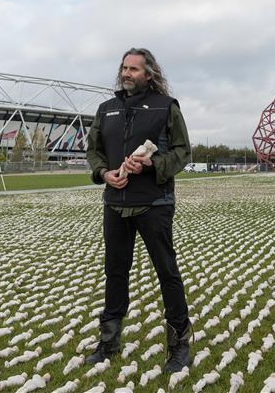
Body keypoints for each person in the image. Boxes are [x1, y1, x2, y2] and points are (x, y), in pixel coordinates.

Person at [85, 48, 194, 373]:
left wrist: (151, 164)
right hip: (115, 204)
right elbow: (94, 151)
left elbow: (182, 152)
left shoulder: (166, 107)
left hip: (154, 203)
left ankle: (178, 344)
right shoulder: (107, 110)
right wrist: (103, 173)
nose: (126, 73)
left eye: (134, 68)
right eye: (124, 67)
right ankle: (108, 342)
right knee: (115, 273)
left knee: (167, 273)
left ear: (149, 74)